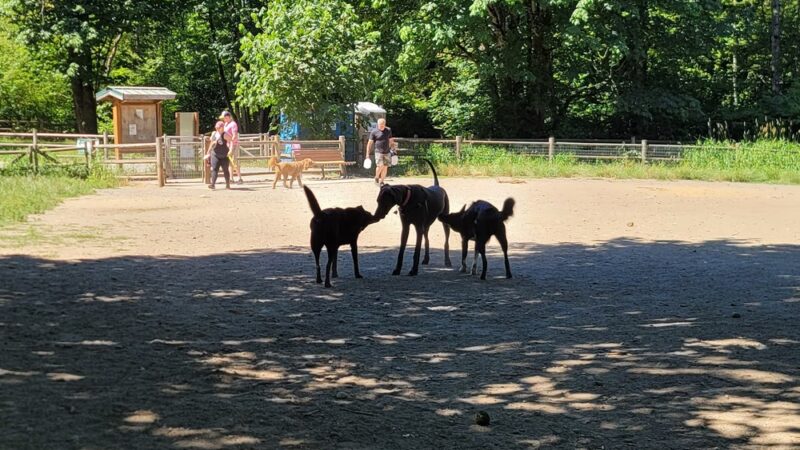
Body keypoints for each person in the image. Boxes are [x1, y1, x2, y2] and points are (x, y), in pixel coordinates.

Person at [205, 121, 232, 189]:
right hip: (215, 154)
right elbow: (211, 143)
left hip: (224, 155)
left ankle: (227, 184)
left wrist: (230, 150)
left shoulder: (225, 135)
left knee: (225, 170)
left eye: (219, 127)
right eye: (216, 127)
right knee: (214, 169)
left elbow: (231, 141)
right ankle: (213, 184)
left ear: (222, 128)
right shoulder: (214, 133)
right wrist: (208, 152)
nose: (217, 129)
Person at [365, 118, 392, 186]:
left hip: (387, 152)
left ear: (385, 124)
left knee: (385, 167)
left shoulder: (388, 130)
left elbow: (390, 140)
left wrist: (393, 149)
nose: (381, 126)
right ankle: (376, 177)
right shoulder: (374, 132)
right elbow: (369, 143)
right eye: (380, 125)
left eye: (383, 125)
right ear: (378, 124)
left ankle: (382, 181)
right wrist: (367, 154)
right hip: (378, 152)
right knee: (380, 166)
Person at [220, 111, 243, 184]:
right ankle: (231, 178)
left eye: (225, 117)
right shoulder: (225, 124)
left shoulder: (233, 124)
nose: (224, 119)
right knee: (229, 161)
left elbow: (234, 135)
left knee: (234, 161)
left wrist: (232, 144)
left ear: (229, 117)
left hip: (233, 144)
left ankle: (239, 178)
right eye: (223, 118)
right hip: (227, 145)